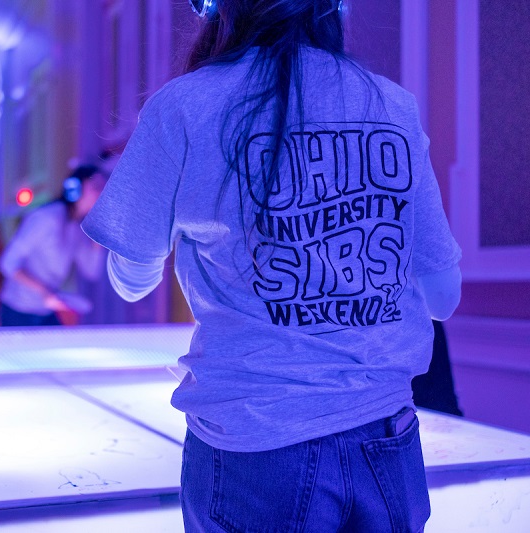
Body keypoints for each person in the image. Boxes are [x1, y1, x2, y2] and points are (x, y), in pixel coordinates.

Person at [81, 1, 462, 531]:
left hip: (254, 440)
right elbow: (444, 296)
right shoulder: (392, 103)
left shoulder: (185, 105)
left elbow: (133, 279)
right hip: (386, 435)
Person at [0, 164, 106, 327]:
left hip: (45, 311)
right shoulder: (46, 218)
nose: (101, 193)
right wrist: (44, 292)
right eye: (96, 187)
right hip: (18, 310)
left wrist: (99, 233)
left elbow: (92, 271)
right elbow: (7, 263)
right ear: (75, 189)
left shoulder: (76, 227)